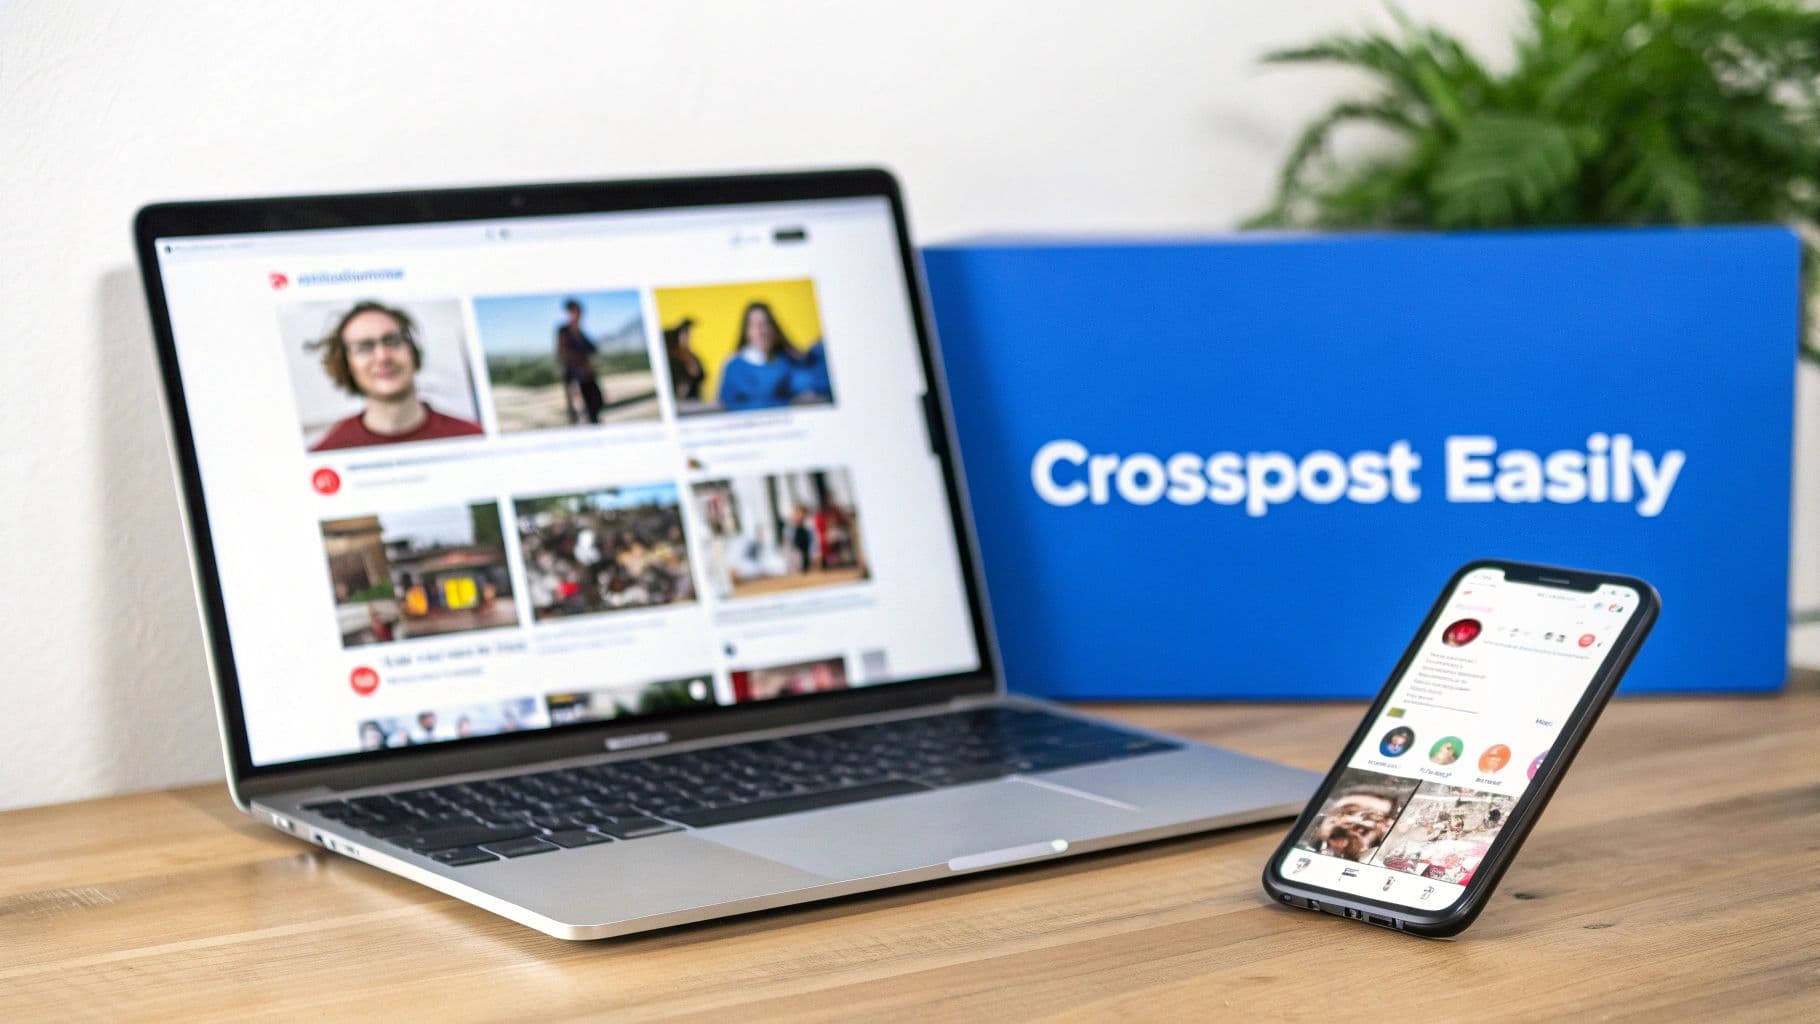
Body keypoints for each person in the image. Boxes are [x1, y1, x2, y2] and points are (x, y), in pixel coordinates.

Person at [307, 301, 484, 451]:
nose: (383, 356)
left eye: (392, 341)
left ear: (413, 353)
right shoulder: (328, 453)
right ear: (346, 364)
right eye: (365, 347)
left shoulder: (473, 438)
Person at [717, 302, 803, 411]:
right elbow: (725, 406)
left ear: (774, 328)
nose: (760, 331)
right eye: (754, 324)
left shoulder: (788, 362)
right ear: (747, 331)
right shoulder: (734, 366)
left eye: (765, 323)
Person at [1302, 783, 1406, 861]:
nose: (1355, 820)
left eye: (1372, 816)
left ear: (1385, 826)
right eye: (1347, 812)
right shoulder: (1300, 846)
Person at [555, 299, 606, 424]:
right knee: (579, 412)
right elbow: (562, 352)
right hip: (574, 378)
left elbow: (593, 349)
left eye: (577, 311)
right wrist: (582, 361)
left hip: (587, 378)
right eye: (572, 311)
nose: (575, 314)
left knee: (596, 404)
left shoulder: (581, 333)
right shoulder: (564, 331)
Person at [664, 318, 705, 400]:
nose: (688, 337)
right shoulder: (671, 358)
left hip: (694, 398)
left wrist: (694, 371)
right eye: (684, 334)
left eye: (688, 334)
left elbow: (701, 376)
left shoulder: (691, 356)